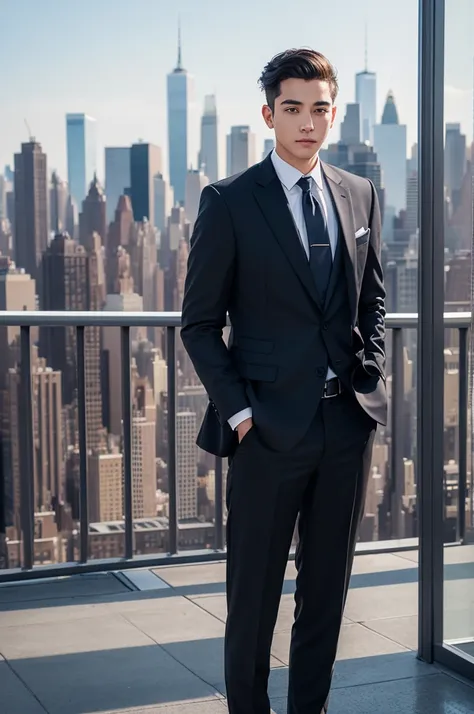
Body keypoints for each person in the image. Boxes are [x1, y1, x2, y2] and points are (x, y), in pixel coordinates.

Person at [181, 48, 387, 714]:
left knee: (325, 598)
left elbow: (373, 302)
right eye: (292, 108)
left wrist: (370, 371)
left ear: (334, 113)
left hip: (343, 428)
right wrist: (242, 417)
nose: (307, 122)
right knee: (254, 602)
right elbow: (199, 325)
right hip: (267, 432)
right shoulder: (231, 202)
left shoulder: (359, 194)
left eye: (319, 108)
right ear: (269, 114)